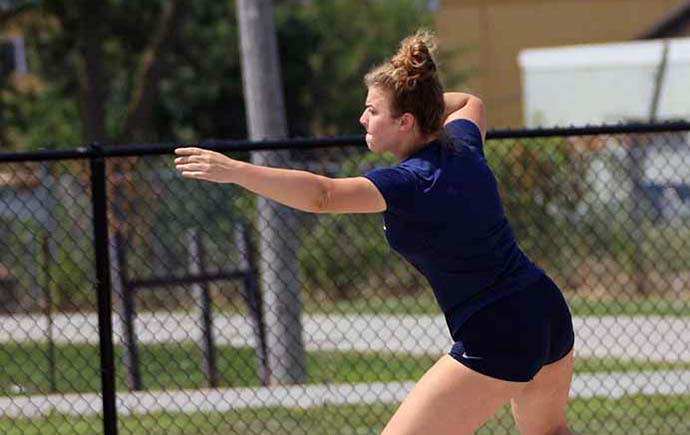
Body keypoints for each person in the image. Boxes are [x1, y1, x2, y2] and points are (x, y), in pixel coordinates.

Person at [174, 29, 575, 435]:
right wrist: (425, 104)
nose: (362, 119)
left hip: (497, 329)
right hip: (545, 307)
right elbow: (470, 101)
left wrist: (236, 171)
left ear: (405, 122)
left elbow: (323, 196)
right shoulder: (462, 143)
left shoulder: (410, 181)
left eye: (373, 110)